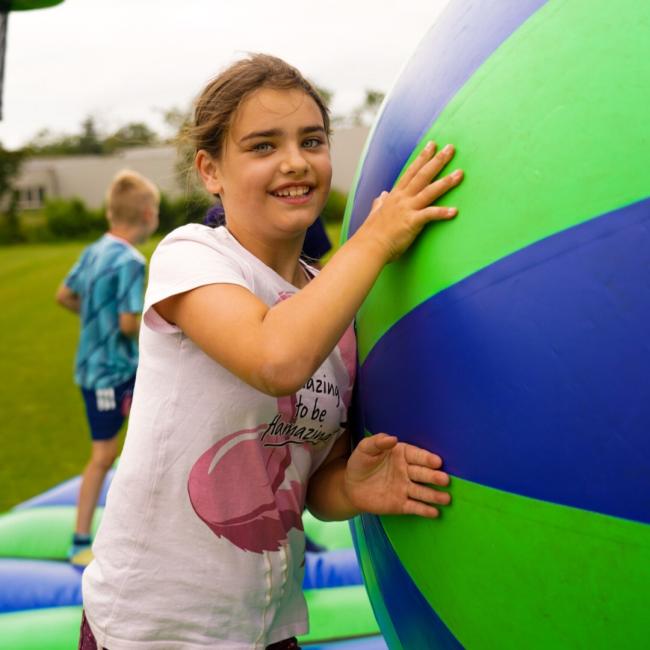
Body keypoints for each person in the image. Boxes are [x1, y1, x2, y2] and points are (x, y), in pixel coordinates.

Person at [80, 54, 463, 650]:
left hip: (267, 625)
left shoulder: (334, 313)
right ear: (211, 170)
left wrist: (352, 488)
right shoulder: (193, 258)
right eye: (262, 146)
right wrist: (377, 237)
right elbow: (274, 359)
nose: (294, 162)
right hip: (155, 626)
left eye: (311, 140)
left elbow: (308, 482)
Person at [55, 170, 159, 567]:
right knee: (104, 454)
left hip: (102, 367)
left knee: (147, 438)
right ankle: (80, 538)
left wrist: (92, 317)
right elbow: (129, 324)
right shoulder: (131, 261)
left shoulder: (95, 249)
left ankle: (142, 524)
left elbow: (64, 295)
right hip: (109, 373)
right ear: (148, 214)